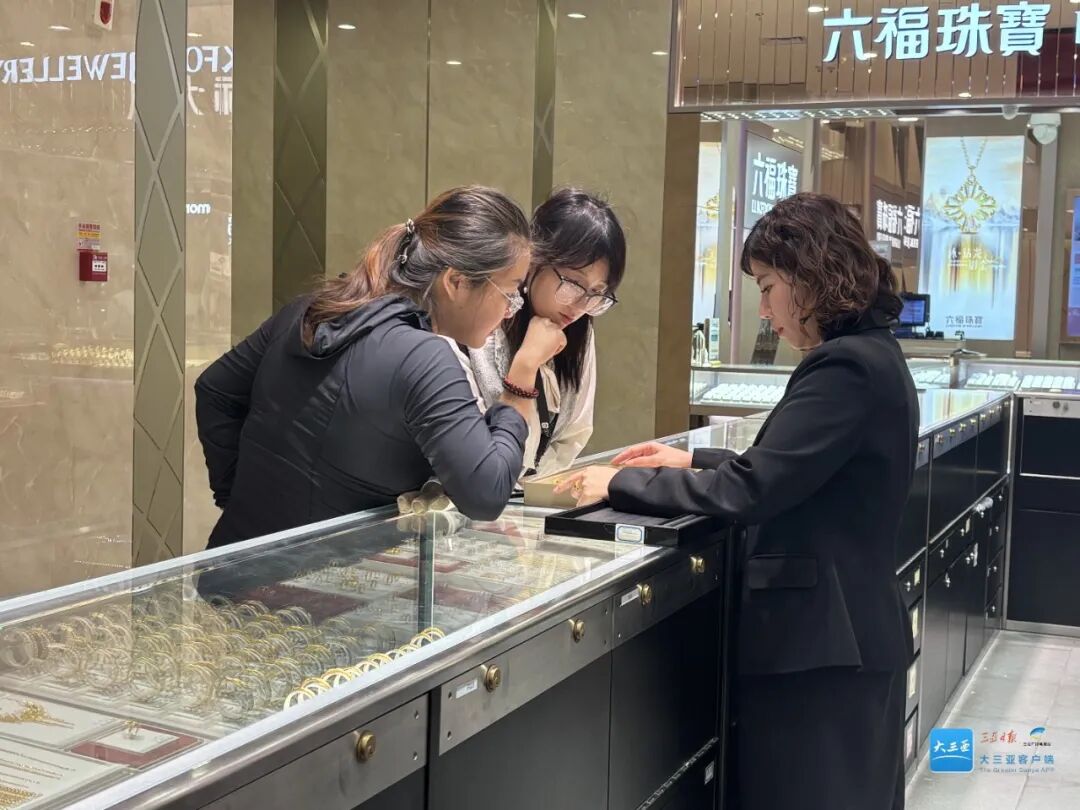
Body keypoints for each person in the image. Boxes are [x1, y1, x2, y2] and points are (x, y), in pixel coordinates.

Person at [557, 192, 917, 809]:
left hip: (824, 652)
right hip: (844, 643)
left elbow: (752, 488)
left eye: (769, 287)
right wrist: (691, 459)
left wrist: (618, 484)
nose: (765, 310)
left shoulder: (846, 367)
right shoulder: (871, 354)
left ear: (813, 276)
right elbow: (800, 470)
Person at [195, 186, 567, 550]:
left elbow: (215, 389)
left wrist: (238, 495)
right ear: (456, 282)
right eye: (509, 292)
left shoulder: (310, 311)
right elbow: (487, 493)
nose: (511, 309)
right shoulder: (425, 357)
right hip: (322, 580)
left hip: (237, 563)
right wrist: (522, 377)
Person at [455, 188, 626, 479]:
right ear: (535, 259)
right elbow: (476, 457)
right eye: (573, 283)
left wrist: (532, 490)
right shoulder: (486, 321)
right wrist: (527, 364)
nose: (580, 306)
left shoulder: (579, 330)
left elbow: (572, 436)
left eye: (597, 293)